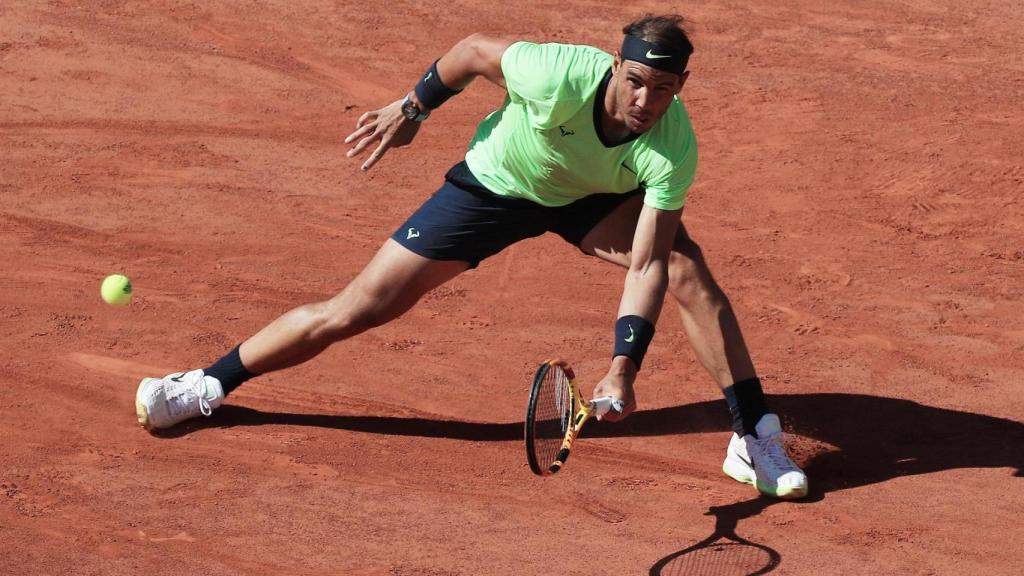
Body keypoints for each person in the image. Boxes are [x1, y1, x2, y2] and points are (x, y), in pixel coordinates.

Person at [135, 14, 808, 500]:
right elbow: (470, 52)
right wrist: (413, 107)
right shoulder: (552, 74)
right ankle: (206, 385)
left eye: (663, 90)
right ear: (614, 66)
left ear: (680, 86)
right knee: (360, 306)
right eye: (636, 82)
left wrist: (620, 367)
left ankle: (754, 435)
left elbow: (648, 265)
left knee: (690, 272)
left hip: (594, 202)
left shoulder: (671, 147)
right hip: (498, 184)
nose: (645, 102)